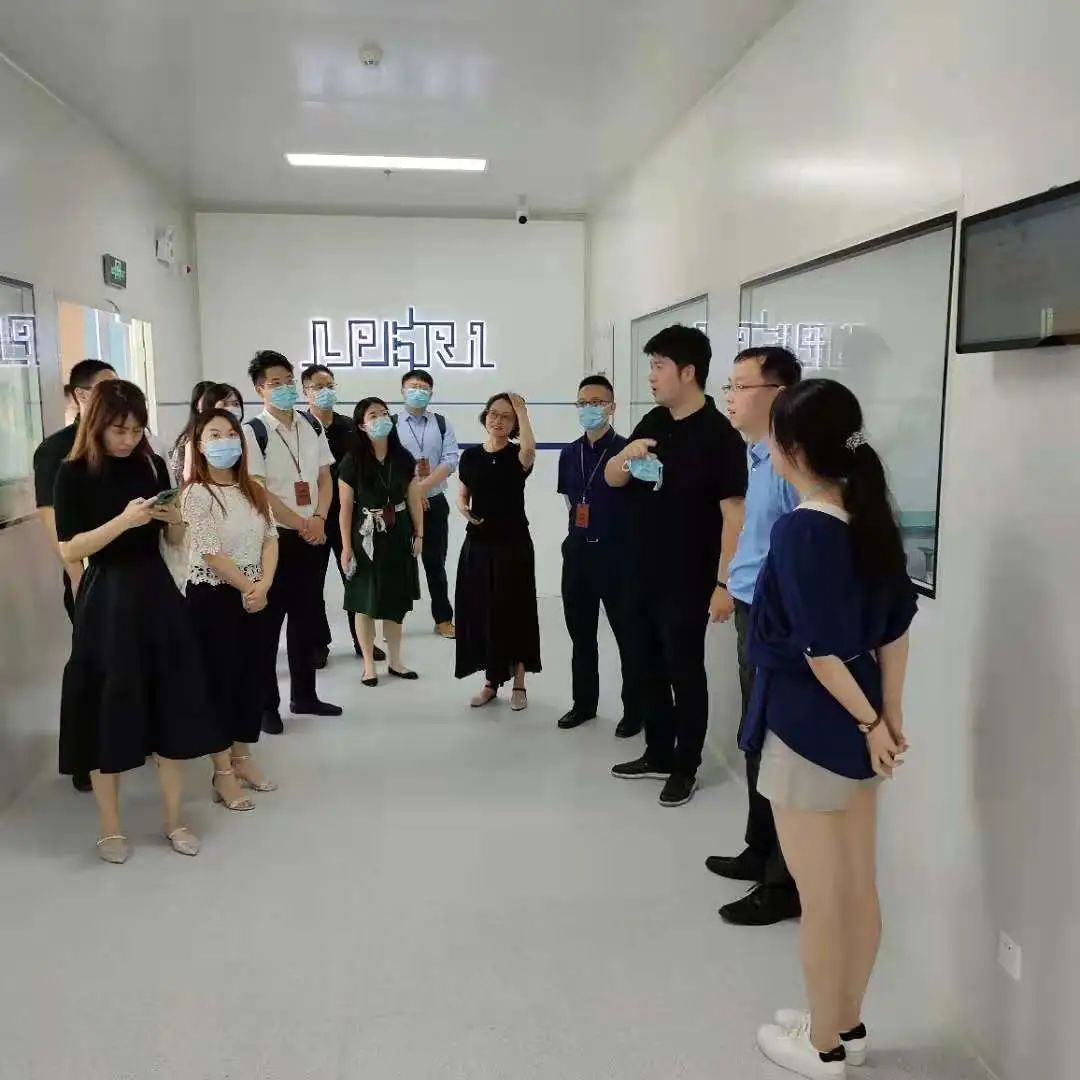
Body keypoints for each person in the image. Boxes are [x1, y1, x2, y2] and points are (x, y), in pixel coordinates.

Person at [746, 379, 916, 1079]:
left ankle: (821, 1046)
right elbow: (896, 626)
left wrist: (870, 721)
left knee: (821, 899)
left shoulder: (802, 529)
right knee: (857, 887)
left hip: (811, 727)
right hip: (860, 723)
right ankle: (845, 1021)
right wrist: (887, 717)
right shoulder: (867, 513)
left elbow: (818, 650)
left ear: (792, 448)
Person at [53, 380, 230, 863]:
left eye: (136, 430)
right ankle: (110, 828)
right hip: (106, 596)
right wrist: (123, 521)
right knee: (107, 708)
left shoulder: (149, 465)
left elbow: (170, 543)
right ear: (97, 425)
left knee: (170, 702)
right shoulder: (72, 473)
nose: (128, 439)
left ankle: (174, 818)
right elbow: (70, 548)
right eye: (119, 430)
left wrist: (174, 521)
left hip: (156, 592)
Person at [606, 325, 747, 808]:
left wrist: (723, 582)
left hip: (688, 576)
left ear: (688, 372)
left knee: (683, 670)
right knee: (644, 664)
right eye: (651, 366)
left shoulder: (719, 436)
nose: (651, 375)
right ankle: (658, 752)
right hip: (640, 568)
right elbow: (614, 479)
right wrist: (626, 455)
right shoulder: (654, 420)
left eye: (658, 366)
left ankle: (686, 766)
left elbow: (734, 515)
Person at [706, 347, 804, 927]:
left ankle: (783, 882)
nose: (731, 397)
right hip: (750, 609)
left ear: (778, 393)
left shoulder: (794, 464)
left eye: (741, 386)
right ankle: (759, 848)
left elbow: (803, 554)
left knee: (775, 744)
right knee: (754, 738)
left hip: (775, 619)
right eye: (730, 386)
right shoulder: (758, 455)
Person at [183, 408, 280, 805]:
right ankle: (222, 772)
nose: (225, 441)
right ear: (199, 445)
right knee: (219, 682)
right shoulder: (196, 494)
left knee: (251, 677)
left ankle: (242, 757)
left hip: (255, 594)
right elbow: (210, 552)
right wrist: (249, 587)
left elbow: (270, 539)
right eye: (215, 435)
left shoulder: (253, 489)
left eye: (231, 433)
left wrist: (264, 585)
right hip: (214, 597)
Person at [243, 350, 341, 733]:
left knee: (305, 619)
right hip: (272, 540)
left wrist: (319, 518)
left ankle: (305, 696)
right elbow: (258, 490)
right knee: (267, 627)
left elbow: (325, 477)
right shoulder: (253, 432)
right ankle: (267, 706)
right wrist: (301, 522)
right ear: (260, 389)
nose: (285, 388)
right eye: (275, 383)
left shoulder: (310, 424)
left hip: (311, 536)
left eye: (288, 381)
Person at [33, 358, 117, 793]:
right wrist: (77, 576)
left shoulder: (117, 442)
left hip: (124, 574)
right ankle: (85, 758)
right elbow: (53, 521)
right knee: (89, 664)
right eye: (105, 389)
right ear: (81, 396)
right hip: (86, 574)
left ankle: (122, 742)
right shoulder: (57, 450)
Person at [556, 375, 640, 738]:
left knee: (628, 637)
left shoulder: (627, 451)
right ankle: (584, 704)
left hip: (617, 556)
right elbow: (570, 502)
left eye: (597, 402)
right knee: (581, 636)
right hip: (578, 555)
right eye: (583, 403)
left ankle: (634, 711)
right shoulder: (568, 454)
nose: (589, 408)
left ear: (612, 407)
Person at [454, 393, 540, 710]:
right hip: (478, 543)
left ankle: (519, 683)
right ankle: (491, 682)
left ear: (515, 423)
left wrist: (522, 409)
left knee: (515, 611)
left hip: (513, 544)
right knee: (483, 611)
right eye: (493, 413)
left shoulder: (518, 455)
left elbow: (530, 450)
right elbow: (463, 494)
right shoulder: (471, 456)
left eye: (506, 416)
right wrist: (463, 508)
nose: (498, 420)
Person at [300, 364, 384, 665]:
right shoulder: (299, 428)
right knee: (312, 584)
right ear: (305, 391)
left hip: (348, 518)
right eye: (318, 386)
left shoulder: (350, 427)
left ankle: (362, 641)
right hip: (314, 518)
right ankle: (318, 643)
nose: (326, 392)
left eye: (330, 386)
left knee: (356, 579)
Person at [338, 398, 423, 684]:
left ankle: (395, 661)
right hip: (365, 537)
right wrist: (346, 547)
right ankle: (368, 664)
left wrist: (419, 533)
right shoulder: (352, 461)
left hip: (398, 533)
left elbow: (414, 499)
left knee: (396, 601)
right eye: (373, 415)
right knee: (365, 602)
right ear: (362, 425)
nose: (381, 419)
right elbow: (345, 508)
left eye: (384, 413)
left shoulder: (403, 458)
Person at [396, 369, 461, 639]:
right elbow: (389, 463)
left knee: (436, 564)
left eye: (423, 387)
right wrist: (411, 492)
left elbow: (450, 460)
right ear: (402, 390)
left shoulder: (441, 423)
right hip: (400, 505)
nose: (418, 391)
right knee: (398, 565)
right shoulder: (391, 423)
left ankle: (443, 619)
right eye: (413, 386)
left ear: (431, 393)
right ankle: (393, 620)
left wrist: (421, 488)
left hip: (434, 502)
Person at [169, 381, 245, 485]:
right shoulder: (192, 439)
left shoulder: (245, 433)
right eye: (224, 404)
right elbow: (187, 477)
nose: (231, 408)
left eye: (236, 404)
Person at [168, 380, 214, 484]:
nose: (211, 404)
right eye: (206, 400)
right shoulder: (188, 438)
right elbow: (179, 475)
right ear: (196, 405)